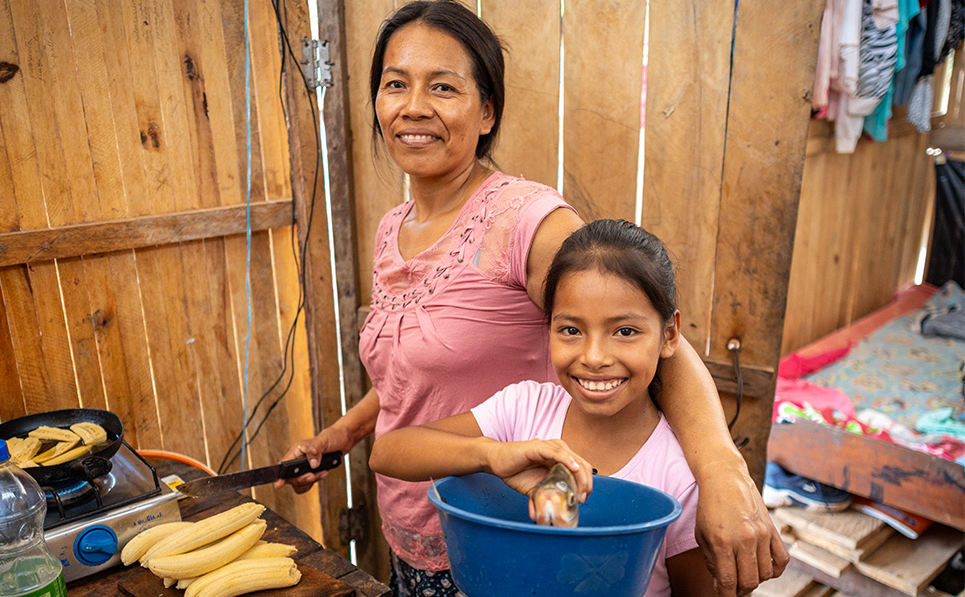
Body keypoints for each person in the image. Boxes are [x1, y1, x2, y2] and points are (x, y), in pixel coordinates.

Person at [274, 2, 787, 595]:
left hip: (504, 535)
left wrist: (721, 471)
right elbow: (409, 374)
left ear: (486, 111)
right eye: (396, 84)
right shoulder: (394, 227)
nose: (414, 106)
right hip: (409, 523)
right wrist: (339, 436)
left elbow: (639, 333)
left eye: (442, 86)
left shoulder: (525, 221)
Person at [370, 218, 716, 596]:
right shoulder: (525, 408)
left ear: (669, 336)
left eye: (625, 331)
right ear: (547, 327)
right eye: (571, 330)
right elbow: (388, 453)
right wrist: (493, 455)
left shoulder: (681, 477)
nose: (594, 356)